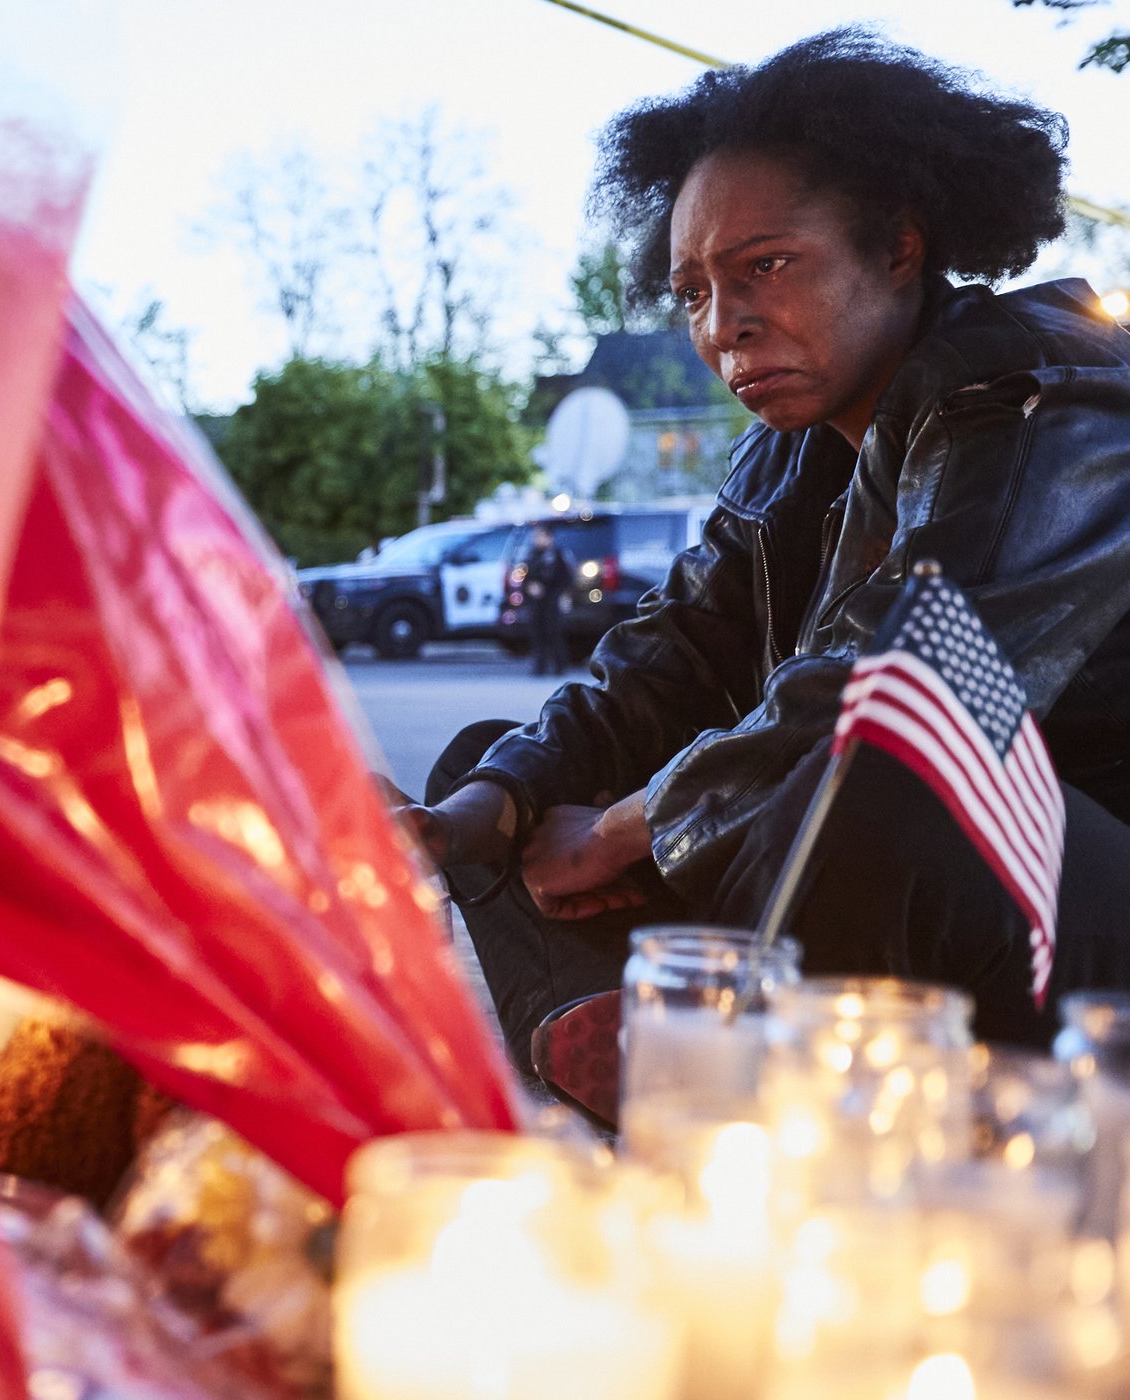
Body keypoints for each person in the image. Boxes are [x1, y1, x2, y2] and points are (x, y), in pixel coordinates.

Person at [396, 27, 1130, 1075]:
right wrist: (482, 809)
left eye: (765, 266)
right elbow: (669, 656)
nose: (723, 324)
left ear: (898, 246)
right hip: (866, 892)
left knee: (872, 779)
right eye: (692, 289)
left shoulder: (1044, 388)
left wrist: (620, 831)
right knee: (491, 768)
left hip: (1076, 908)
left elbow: (905, 683)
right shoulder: (787, 456)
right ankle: (660, 1066)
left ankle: (728, 1068)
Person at [521, 528, 574, 677]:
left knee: (554, 632)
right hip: (536, 602)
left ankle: (559, 666)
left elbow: (567, 580)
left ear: (549, 538)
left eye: (540, 536)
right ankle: (539, 666)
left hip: (553, 601)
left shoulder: (558, 555)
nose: (537, 540)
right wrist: (530, 587)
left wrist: (554, 593)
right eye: (535, 537)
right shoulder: (531, 556)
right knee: (537, 633)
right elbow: (524, 579)